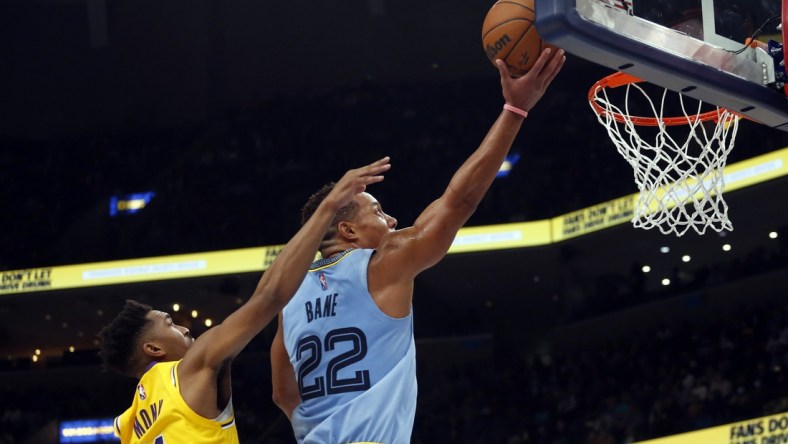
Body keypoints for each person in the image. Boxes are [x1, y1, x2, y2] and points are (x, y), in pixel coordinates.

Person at [270, 48, 566, 443]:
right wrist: (515, 110)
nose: (391, 221)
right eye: (378, 212)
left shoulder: (288, 300)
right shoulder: (381, 264)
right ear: (349, 232)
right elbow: (457, 202)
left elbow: (283, 394)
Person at [97, 157, 392, 443]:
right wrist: (328, 208)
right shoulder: (190, 368)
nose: (186, 329)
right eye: (170, 323)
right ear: (153, 348)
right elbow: (269, 297)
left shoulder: (128, 423)